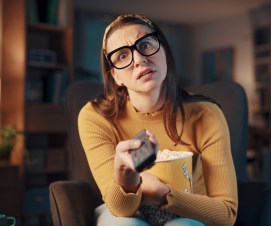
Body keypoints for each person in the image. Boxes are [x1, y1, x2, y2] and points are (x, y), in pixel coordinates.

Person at [78, 14, 238, 226]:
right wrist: (127, 175)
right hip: (126, 216)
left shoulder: (205, 115)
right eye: (122, 56)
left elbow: (226, 214)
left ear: (165, 52)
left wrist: (163, 193)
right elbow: (121, 209)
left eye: (145, 45)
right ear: (115, 76)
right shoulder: (95, 117)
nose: (139, 59)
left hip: (189, 214)